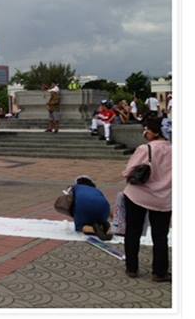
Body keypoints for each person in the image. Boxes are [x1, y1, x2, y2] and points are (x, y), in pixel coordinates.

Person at [121, 117, 172, 282]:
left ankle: (132, 268)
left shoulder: (145, 148)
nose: (145, 132)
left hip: (138, 195)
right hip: (164, 199)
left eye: (147, 129)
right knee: (160, 236)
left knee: (133, 231)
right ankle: (160, 272)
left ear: (155, 132)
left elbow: (128, 171)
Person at [69, 176, 112, 240]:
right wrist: (114, 220)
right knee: (100, 220)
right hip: (104, 209)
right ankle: (106, 227)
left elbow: (68, 202)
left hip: (85, 208)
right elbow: (105, 203)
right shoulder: (96, 190)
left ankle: (93, 229)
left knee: (80, 226)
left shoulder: (75, 187)